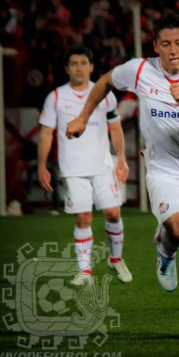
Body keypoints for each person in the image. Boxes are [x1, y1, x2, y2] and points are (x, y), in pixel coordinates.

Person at [65, 13, 179, 337]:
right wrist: (82, 117)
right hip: (163, 170)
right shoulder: (139, 70)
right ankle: (165, 252)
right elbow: (105, 80)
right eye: (166, 44)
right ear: (156, 47)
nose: (173, 50)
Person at [38, 46, 132, 285]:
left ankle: (116, 259)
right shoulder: (56, 97)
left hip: (102, 165)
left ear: (91, 67)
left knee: (112, 213)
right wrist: (42, 165)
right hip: (73, 169)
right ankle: (85, 271)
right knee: (83, 217)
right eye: (74, 64)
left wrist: (121, 157)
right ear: (67, 69)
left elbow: (115, 127)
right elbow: (47, 133)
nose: (79, 68)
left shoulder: (105, 94)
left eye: (83, 63)